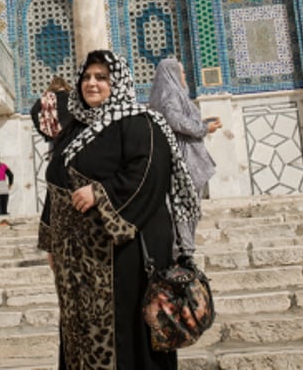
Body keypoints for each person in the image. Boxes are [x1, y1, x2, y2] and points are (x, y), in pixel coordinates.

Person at [40, 49, 199, 369]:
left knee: (125, 334)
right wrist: (51, 242)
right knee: (80, 334)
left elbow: (150, 173)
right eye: (86, 77)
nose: (92, 83)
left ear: (119, 82)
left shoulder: (141, 123)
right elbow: (56, 185)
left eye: (101, 77)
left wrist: (101, 192)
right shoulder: (73, 131)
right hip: (78, 263)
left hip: (124, 253)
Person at [146, 56, 220, 257]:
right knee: (184, 206)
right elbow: (174, 119)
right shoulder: (169, 93)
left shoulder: (169, 94)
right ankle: (183, 253)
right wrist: (203, 128)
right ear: (172, 74)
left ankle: (184, 250)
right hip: (184, 160)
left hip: (186, 157)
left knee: (187, 207)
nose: (184, 75)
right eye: (181, 71)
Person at [31, 75, 73, 142]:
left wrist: (42, 131)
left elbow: (33, 111)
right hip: (72, 134)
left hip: (55, 136)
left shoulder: (46, 98)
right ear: (64, 84)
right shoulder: (72, 97)